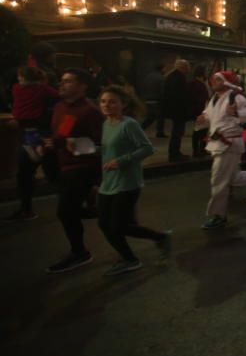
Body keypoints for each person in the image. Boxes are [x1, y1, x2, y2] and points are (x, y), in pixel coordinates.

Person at [95, 85, 170, 276]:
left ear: (123, 104)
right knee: (104, 223)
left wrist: (121, 162)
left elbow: (147, 148)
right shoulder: (106, 124)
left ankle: (132, 258)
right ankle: (158, 238)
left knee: (117, 226)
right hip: (108, 181)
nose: (106, 105)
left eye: (112, 102)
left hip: (127, 182)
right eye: (103, 101)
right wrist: (86, 149)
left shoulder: (128, 124)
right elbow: (107, 150)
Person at [45, 68, 104, 273]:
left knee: (65, 211)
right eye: (62, 80)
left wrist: (66, 144)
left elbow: (102, 146)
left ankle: (79, 252)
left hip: (82, 167)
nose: (62, 84)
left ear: (82, 86)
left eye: (68, 81)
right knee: (69, 210)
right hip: (63, 165)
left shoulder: (90, 111)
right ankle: (101, 211)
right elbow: (59, 134)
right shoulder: (60, 107)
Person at [198, 71, 246, 230]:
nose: (214, 81)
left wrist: (236, 112)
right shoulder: (214, 99)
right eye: (213, 79)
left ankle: (218, 215)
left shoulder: (236, 97)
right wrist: (203, 119)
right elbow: (208, 116)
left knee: (218, 180)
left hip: (229, 143)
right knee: (232, 178)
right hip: (219, 143)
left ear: (227, 81)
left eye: (218, 79)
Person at [5, 66, 59, 222]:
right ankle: (26, 209)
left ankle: (84, 196)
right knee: (25, 174)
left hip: (39, 138)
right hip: (34, 137)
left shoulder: (18, 90)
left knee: (51, 175)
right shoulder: (47, 93)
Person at [162, 59, 192, 162]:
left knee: (177, 132)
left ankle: (175, 153)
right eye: (188, 66)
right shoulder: (179, 78)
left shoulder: (170, 76)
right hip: (179, 111)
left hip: (174, 110)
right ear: (183, 67)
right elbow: (181, 96)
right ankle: (175, 154)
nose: (189, 69)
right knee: (177, 132)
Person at [188, 65, 211, 158]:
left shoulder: (200, 82)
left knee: (203, 131)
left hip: (203, 109)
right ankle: (197, 151)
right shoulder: (196, 83)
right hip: (200, 110)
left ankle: (201, 149)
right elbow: (197, 98)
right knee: (198, 131)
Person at [139, 62, 165, 135]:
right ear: (161, 69)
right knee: (160, 117)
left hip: (147, 99)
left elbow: (142, 87)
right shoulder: (161, 78)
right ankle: (160, 132)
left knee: (150, 117)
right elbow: (162, 90)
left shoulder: (148, 77)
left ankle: (140, 128)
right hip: (157, 100)